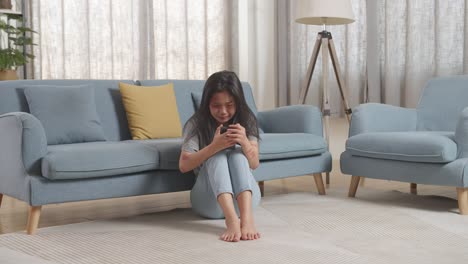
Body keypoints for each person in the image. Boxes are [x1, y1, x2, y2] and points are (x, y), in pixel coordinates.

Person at [179, 70, 261, 242]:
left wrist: (245, 142)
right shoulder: (196, 124)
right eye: (216, 105)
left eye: (229, 104)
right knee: (216, 156)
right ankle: (231, 220)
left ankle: (247, 220)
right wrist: (214, 146)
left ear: (238, 102)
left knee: (238, 155)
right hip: (210, 203)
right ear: (207, 104)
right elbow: (184, 165)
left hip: (245, 204)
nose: (223, 111)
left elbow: (254, 163)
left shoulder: (247, 119)